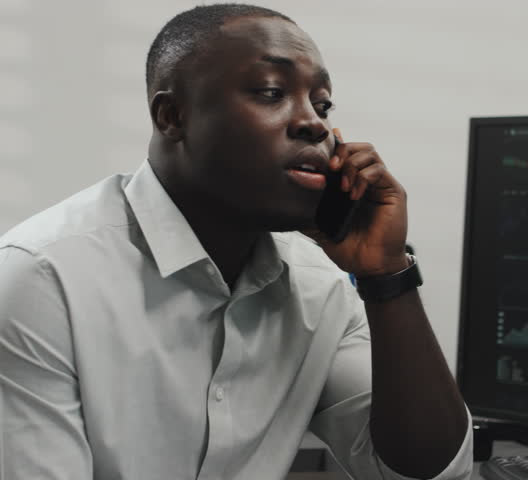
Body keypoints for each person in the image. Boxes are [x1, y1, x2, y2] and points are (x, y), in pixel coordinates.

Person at [0, 4, 472, 479]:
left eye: (322, 104)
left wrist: (385, 273)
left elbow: (430, 472)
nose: (314, 124)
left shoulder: (320, 287)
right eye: (272, 92)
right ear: (172, 116)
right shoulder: (42, 277)